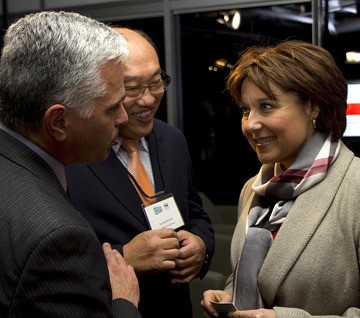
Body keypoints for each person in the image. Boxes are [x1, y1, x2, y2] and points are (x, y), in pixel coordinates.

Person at [201, 40, 360, 317]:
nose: (250, 124)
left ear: (313, 106)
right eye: (245, 110)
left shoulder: (355, 188)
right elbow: (262, 276)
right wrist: (232, 293)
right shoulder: (253, 189)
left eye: (267, 106)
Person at [66, 27, 215, 318]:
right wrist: (125, 257)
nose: (148, 100)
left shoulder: (171, 139)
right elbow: (54, 260)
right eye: (132, 88)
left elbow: (195, 214)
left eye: (156, 82)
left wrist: (200, 246)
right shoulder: (72, 153)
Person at [0, 11, 142, 318]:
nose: (124, 118)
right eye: (112, 108)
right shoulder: (58, 239)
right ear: (59, 122)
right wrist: (122, 301)